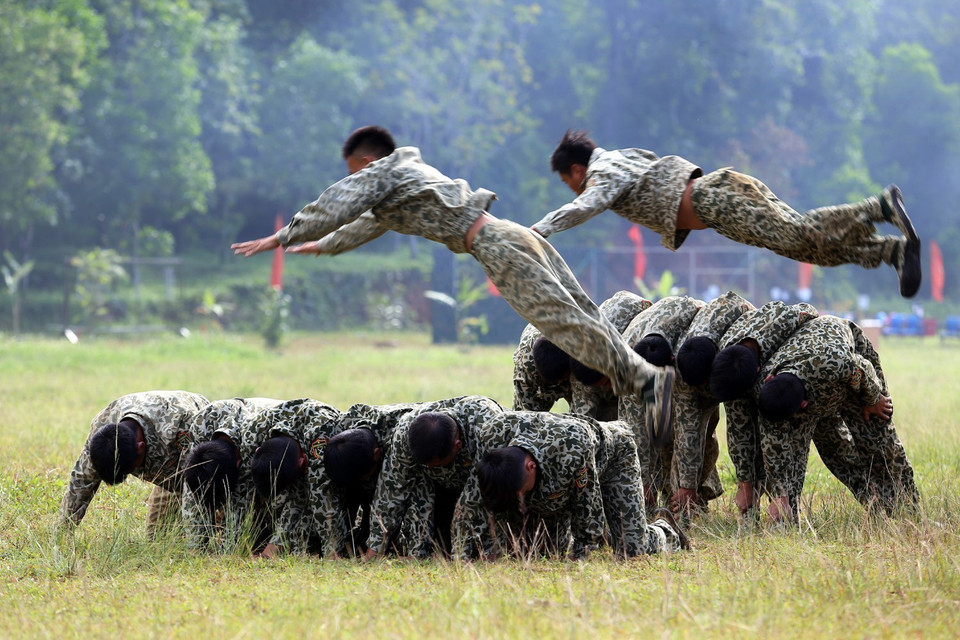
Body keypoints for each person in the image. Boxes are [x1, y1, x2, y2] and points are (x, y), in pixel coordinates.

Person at [231, 125, 674, 425]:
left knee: (565, 323)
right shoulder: (405, 176)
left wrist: (283, 236)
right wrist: (325, 244)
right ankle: (641, 379)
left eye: (354, 173)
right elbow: (367, 222)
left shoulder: (383, 173)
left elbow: (338, 202)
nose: (354, 180)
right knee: (581, 312)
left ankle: (646, 380)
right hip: (511, 234)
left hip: (496, 246)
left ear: (367, 162)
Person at [532, 130, 922, 298]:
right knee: (806, 248)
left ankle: (879, 206)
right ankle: (890, 252)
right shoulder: (620, 158)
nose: (574, 189)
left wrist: (539, 229)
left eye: (569, 182)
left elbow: (588, 204)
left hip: (713, 200)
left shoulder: (603, 172)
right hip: (718, 202)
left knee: (800, 234)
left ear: (577, 170)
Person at [750, 315, 919, 522]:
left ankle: (907, 511)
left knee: (880, 443)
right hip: (810, 379)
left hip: (852, 368)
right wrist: (780, 494)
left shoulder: (837, 363)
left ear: (804, 405)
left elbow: (861, 367)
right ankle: (875, 507)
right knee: (835, 451)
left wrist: (873, 399)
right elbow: (774, 447)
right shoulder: (766, 389)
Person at [469, 413, 689, 560]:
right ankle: (605, 534)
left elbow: (588, 505)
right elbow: (474, 498)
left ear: (530, 466)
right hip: (559, 478)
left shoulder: (572, 446)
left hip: (614, 458)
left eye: (522, 492)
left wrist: (583, 552)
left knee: (632, 549)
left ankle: (665, 531)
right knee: (543, 552)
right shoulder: (493, 434)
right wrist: (481, 549)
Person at [707, 301, 819, 513]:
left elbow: (809, 311)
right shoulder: (729, 361)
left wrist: (779, 492)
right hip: (753, 370)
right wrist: (745, 482)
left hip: (785, 384)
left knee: (774, 433)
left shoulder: (785, 322)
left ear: (759, 370)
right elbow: (738, 428)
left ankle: (784, 507)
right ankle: (750, 501)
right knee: (745, 429)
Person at [363, 396, 504, 559]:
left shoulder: (486, 429)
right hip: (437, 490)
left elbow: (477, 497)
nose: (429, 467)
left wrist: (462, 555)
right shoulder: (405, 432)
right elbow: (391, 492)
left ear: (457, 446)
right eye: (425, 464)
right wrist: (375, 548)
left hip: (484, 486)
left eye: (435, 464)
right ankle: (423, 551)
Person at [58, 390, 209, 537]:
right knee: (156, 537)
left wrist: (196, 541)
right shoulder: (103, 427)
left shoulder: (180, 424)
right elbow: (81, 481)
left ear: (140, 447)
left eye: (132, 469)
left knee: (208, 528)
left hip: (203, 458)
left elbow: (197, 483)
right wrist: (62, 535)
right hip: (167, 466)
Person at [669, 291, 755, 516]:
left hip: (734, 362)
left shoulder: (736, 358)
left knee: (742, 429)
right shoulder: (684, 367)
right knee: (684, 436)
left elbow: (740, 426)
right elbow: (687, 429)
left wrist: (746, 482)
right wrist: (686, 486)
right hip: (703, 364)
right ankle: (690, 498)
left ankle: (751, 500)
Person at [615, 295, 704, 505]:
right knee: (645, 431)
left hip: (691, 355)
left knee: (690, 433)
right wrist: (642, 483)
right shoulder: (628, 359)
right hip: (642, 345)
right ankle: (650, 493)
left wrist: (688, 485)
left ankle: (695, 494)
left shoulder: (686, 353)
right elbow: (636, 428)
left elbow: (689, 427)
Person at [513, 290, 651, 418]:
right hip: (538, 372)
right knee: (528, 420)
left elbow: (585, 410)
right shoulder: (526, 364)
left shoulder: (595, 341)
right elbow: (523, 413)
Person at [180, 397, 284, 552]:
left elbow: (239, 511)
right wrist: (195, 546)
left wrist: (229, 550)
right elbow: (193, 494)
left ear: (238, 463)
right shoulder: (203, 423)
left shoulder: (256, 443)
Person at [247, 399, 342, 558]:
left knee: (312, 506)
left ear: (302, 462)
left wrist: (331, 551)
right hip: (296, 451)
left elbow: (323, 496)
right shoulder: (256, 432)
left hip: (342, 465)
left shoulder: (321, 431)